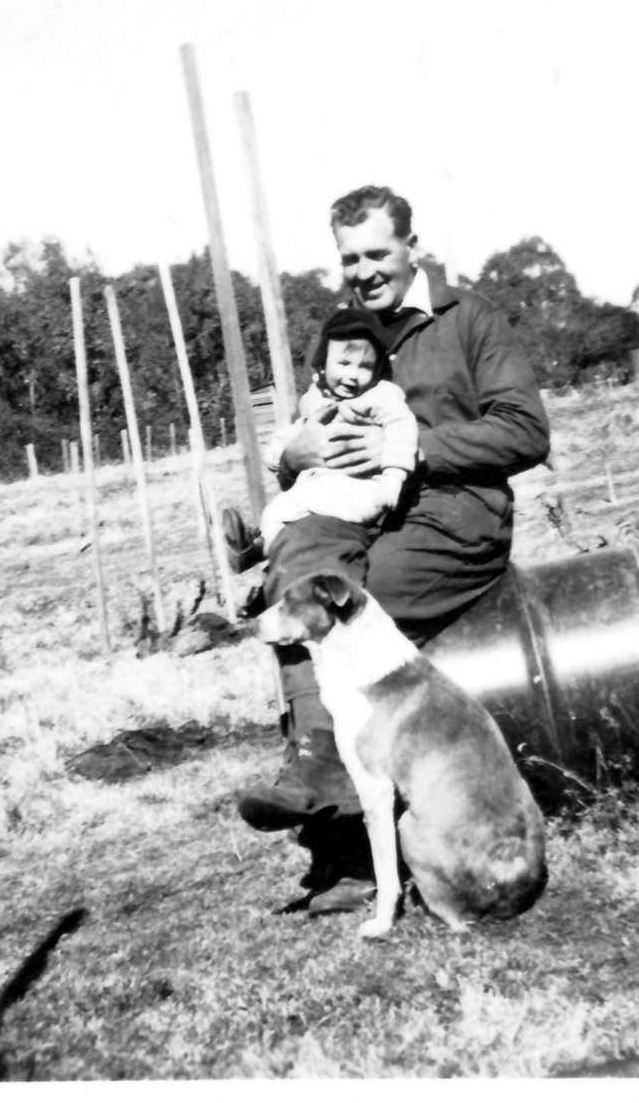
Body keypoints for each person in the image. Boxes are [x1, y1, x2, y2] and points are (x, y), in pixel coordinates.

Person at [237, 184, 550, 914]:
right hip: (359, 513)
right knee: (296, 568)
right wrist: (295, 452)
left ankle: (340, 833)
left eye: (378, 252)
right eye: (350, 258)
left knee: (341, 605)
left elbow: (525, 432)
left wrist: (407, 449)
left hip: (450, 518)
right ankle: (322, 774)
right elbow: (308, 436)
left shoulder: (468, 320)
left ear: (413, 245)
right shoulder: (342, 334)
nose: (365, 270)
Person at [223, 307, 419, 568]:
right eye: (344, 363)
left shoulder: (379, 396)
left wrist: (394, 475)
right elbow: (301, 428)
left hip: (362, 488)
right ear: (323, 364)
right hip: (324, 484)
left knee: (298, 507)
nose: (352, 375)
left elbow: (403, 427)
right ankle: (256, 549)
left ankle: (268, 551)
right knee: (278, 509)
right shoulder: (317, 399)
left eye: (365, 366)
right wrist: (283, 450)